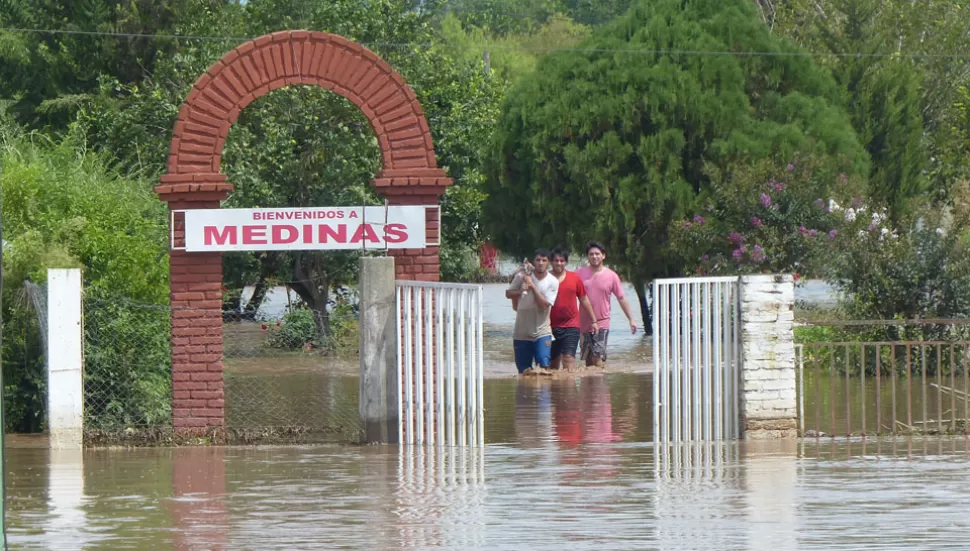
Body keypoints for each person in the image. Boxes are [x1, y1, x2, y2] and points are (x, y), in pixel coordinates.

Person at [577, 241, 637, 367]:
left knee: (597, 357)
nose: (594, 257)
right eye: (591, 254)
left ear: (603, 255)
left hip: (602, 322)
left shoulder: (611, 276)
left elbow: (621, 298)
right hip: (583, 322)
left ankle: (600, 385)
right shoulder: (579, 274)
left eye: (597, 254)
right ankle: (589, 386)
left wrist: (631, 319)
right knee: (587, 360)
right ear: (587, 256)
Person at [505, 249, 559, 374]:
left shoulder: (553, 281)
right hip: (521, 332)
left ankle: (543, 393)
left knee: (544, 368)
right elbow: (508, 293)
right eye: (538, 260)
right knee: (524, 371)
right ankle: (526, 393)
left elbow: (544, 305)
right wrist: (520, 291)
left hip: (542, 331)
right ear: (533, 262)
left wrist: (532, 286)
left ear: (549, 263)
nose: (540, 263)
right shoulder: (521, 276)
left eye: (544, 260)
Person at [548, 247, 597, 371]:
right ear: (550, 262)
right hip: (548, 326)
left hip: (571, 325)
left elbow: (584, 299)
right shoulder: (545, 278)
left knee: (568, 358)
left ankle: (569, 388)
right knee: (552, 362)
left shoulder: (574, 278)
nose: (559, 263)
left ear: (566, 262)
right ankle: (556, 390)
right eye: (556, 260)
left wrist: (594, 321)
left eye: (562, 261)